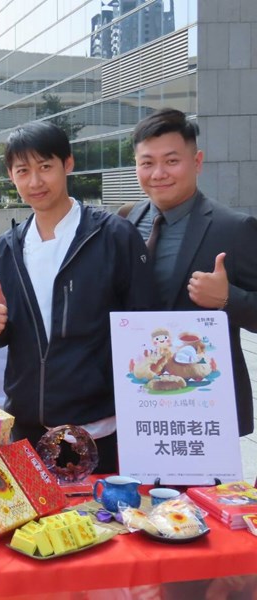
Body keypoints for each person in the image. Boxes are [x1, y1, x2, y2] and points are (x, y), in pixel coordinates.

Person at [0, 120, 155, 474]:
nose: (35, 182)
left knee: (101, 525)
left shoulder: (114, 236)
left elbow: (143, 326)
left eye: (45, 167)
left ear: (67, 164)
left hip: (99, 429)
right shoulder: (6, 249)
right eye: (23, 171)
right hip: (27, 427)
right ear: (11, 176)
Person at [127, 108, 257, 436]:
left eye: (172, 161)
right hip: (138, 400)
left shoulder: (235, 229)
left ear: (197, 162)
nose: (158, 173)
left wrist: (229, 298)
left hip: (204, 405)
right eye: (147, 162)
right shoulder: (127, 221)